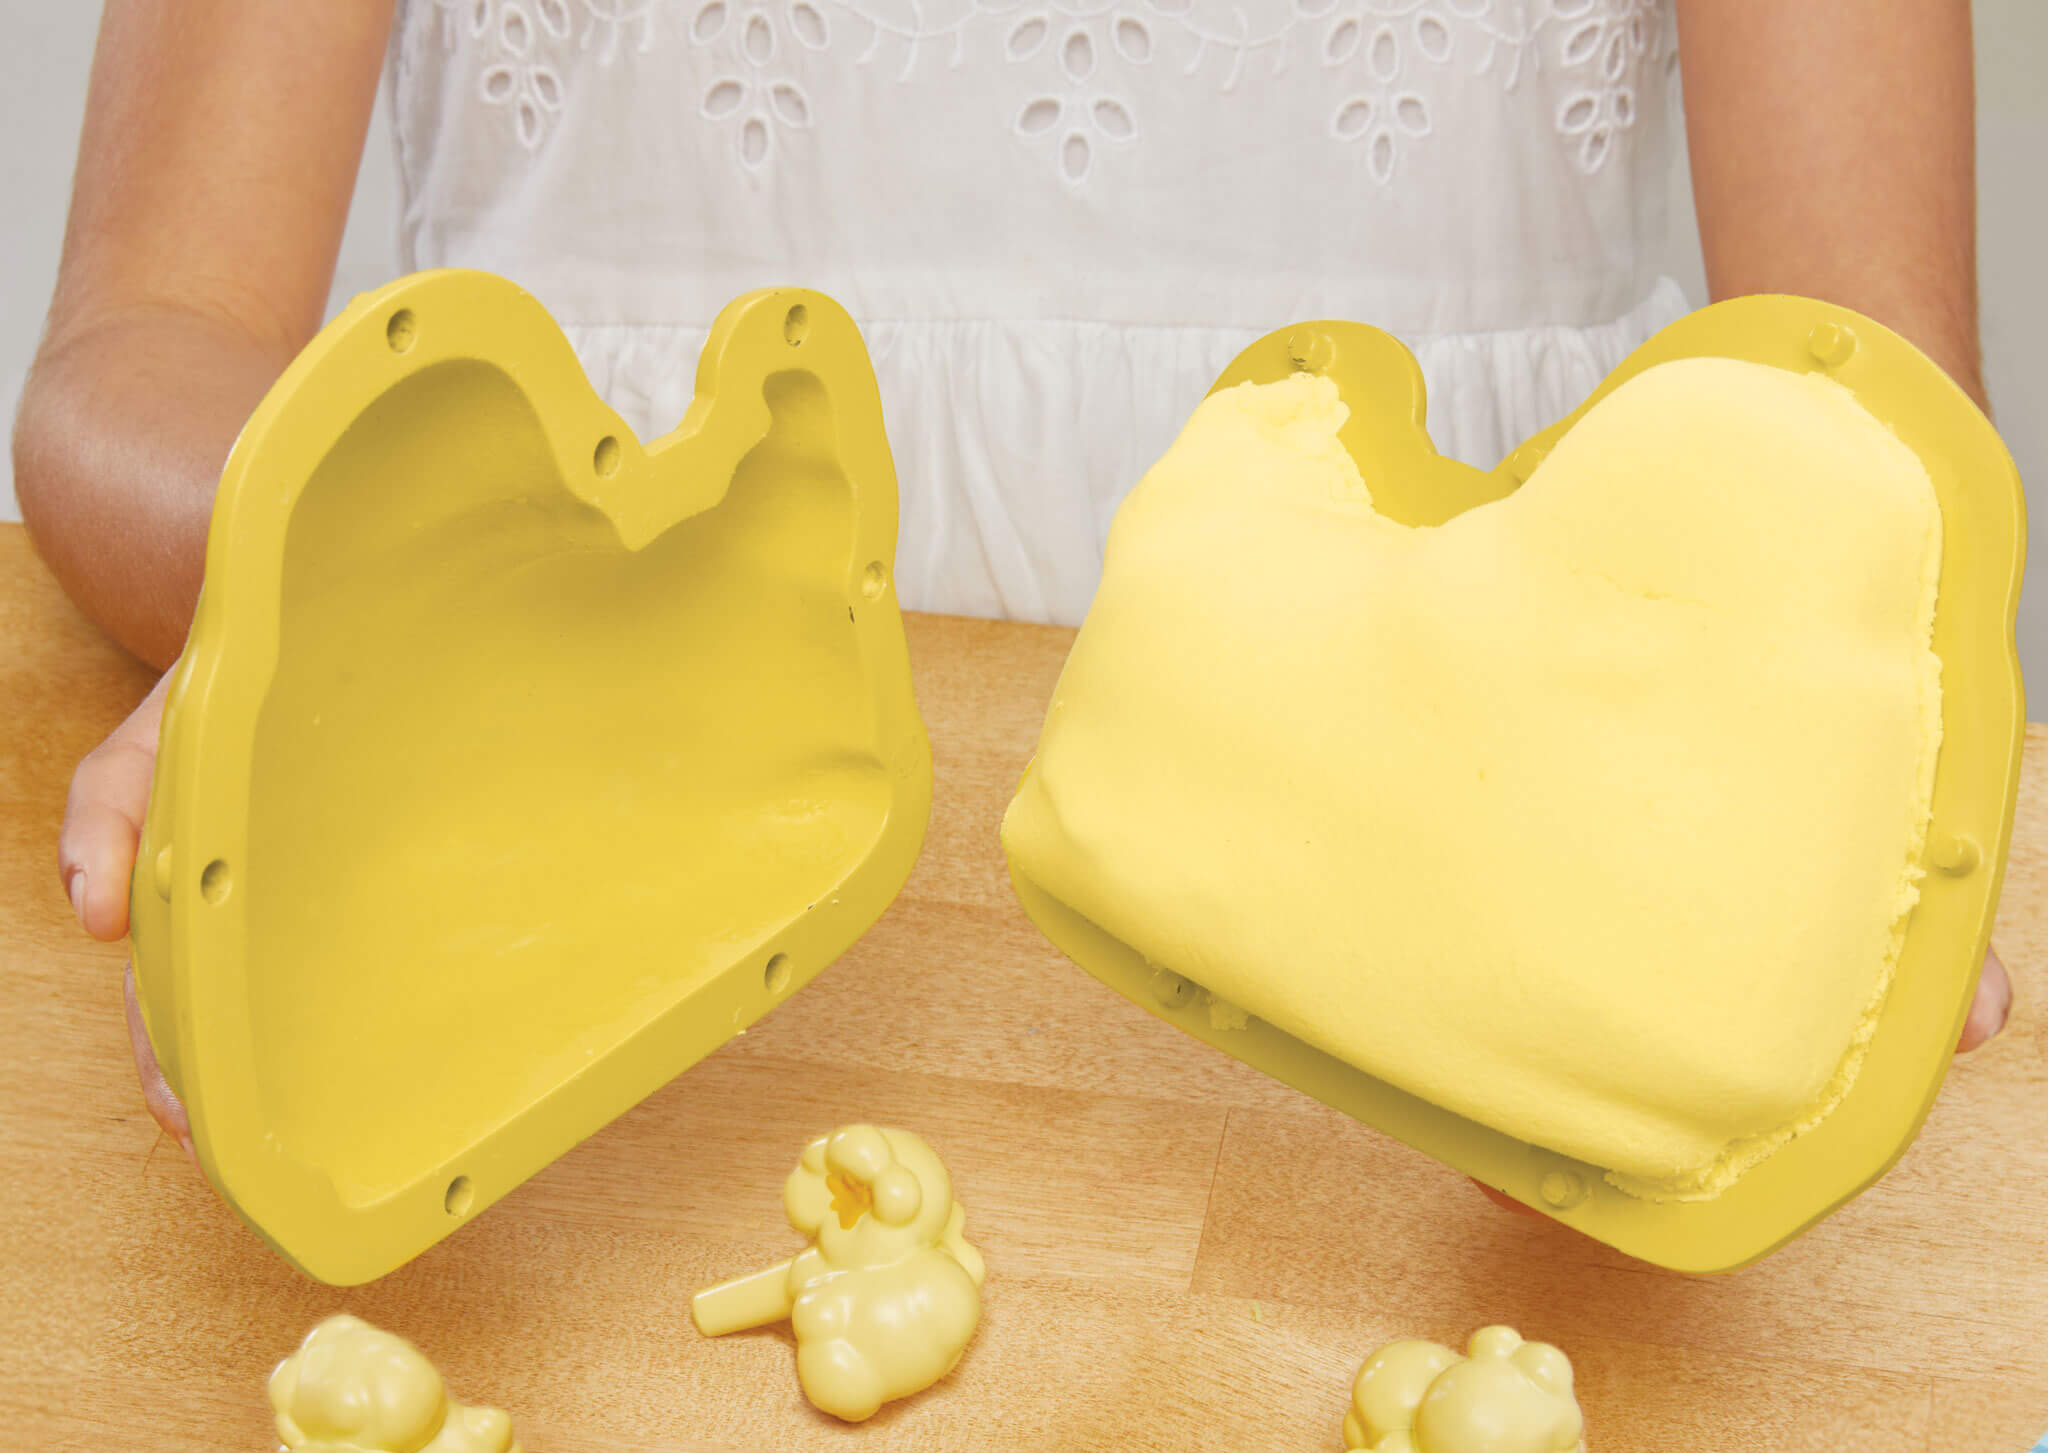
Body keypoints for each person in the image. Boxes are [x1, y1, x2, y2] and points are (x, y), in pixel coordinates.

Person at [16, 0, 2009, 1151]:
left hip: (1469, 962)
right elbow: (141, 351)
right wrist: (342, 598)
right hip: (560, 968)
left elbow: (1871, 422)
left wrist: (1775, 804)